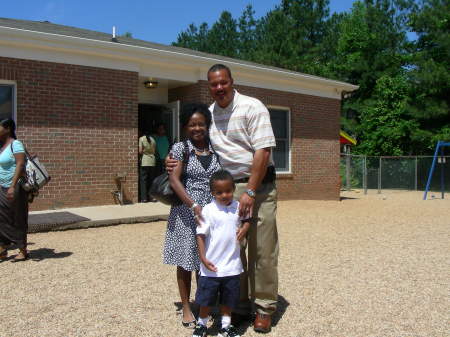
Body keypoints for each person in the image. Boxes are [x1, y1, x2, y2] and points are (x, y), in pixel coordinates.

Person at [167, 64, 278, 333]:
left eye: (223, 83)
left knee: (262, 250)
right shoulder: (210, 115)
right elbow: (196, 140)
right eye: (213, 84)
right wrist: (174, 158)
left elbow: (263, 151)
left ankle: (263, 308)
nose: (219, 88)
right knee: (231, 250)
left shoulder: (253, 107)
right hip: (226, 191)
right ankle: (237, 306)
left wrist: (250, 190)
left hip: (258, 188)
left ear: (231, 81)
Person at [163, 103, 221, 329]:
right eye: (192, 124)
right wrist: (193, 204)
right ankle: (187, 307)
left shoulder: (215, 148)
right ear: (186, 126)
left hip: (210, 213)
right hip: (186, 212)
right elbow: (174, 180)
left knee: (205, 262)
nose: (197, 128)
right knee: (186, 262)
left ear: (207, 125)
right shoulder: (180, 148)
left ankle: (204, 303)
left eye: (201, 124)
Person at [193, 170, 250, 337]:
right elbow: (200, 235)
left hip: (232, 266)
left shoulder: (238, 206)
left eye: (228, 191)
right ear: (213, 193)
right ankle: (202, 324)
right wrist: (202, 258)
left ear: (233, 189)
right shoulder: (208, 210)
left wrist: (245, 229)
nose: (224, 195)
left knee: (229, 299)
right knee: (206, 299)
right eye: (219, 192)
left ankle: (225, 326)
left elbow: (247, 219)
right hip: (212, 266)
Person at [0, 118, 29, 262]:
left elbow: (20, 164)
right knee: (2, 218)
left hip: (14, 187)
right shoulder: (2, 146)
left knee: (17, 218)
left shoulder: (15, 144)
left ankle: (23, 250)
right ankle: (2, 249)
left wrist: (12, 186)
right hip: (2, 187)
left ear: (8, 129)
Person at [138, 131, 157, 202]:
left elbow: (140, 151)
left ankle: (144, 198)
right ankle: (152, 197)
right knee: (151, 180)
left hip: (145, 161)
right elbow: (154, 151)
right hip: (152, 161)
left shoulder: (141, 139)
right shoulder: (153, 139)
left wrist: (144, 151)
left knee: (143, 180)